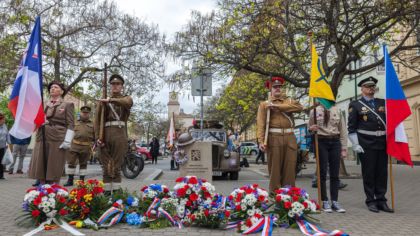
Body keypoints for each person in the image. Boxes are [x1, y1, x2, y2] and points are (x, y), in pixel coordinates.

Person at [348, 76, 393, 213]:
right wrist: (355, 144)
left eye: (372, 86)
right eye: (368, 87)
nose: (371, 89)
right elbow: (352, 127)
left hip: (382, 142)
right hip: (366, 143)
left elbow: (390, 120)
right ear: (362, 89)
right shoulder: (355, 105)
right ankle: (370, 200)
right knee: (369, 173)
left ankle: (381, 200)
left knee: (381, 173)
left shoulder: (382, 102)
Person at [257, 77, 303, 192]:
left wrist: (279, 107)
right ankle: (275, 196)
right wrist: (261, 141)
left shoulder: (290, 101)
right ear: (270, 89)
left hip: (290, 138)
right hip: (274, 138)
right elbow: (261, 124)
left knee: (290, 170)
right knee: (275, 170)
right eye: (275, 87)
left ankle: (289, 196)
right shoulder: (264, 104)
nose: (278, 89)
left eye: (279, 87)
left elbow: (300, 107)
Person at [28, 81, 75, 185]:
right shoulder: (43, 104)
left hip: (57, 137)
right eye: (51, 87)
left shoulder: (67, 105)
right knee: (40, 166)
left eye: (55, 87)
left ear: (62, 91)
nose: (52, 89)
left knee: (54, 166)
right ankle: (41, 191)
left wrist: (67, 140)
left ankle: (53, 190)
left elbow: (71, 124)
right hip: (42, 136)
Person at [95, 74, 133, 194]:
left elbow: (127, 103)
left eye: (118, 84)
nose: (115, 86)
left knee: (117, 164)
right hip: (105, 133)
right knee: (106, 165)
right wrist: (97, 138)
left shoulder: (126, 98)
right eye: (113, 84)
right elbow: (97, 121)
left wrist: (110, 100)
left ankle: (116, 193)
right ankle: (106, 193)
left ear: (122, 86)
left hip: (119, 133)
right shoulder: (103, 101)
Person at [308, 103, 347, 213]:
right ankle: (324, 200)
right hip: (321, 142)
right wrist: (311, 128)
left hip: (335, 141)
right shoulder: (314, 111)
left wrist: (344, 148)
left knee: (335, 173)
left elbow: (343, 130)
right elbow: (309, 127)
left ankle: (335, 201)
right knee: (322, 172)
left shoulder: (337, 110)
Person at [64, 106, 95, 186]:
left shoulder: (93, 124)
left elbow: (95, 137)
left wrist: (94, 146)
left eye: (86, 113)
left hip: (86, 147)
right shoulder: (74, 122)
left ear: (89, 114)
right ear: (80, 113)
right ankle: (70, 180)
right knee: (71, 163)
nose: (85, 114)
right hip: (74, 145)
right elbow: (69, 133)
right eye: (83, 113)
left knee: (83, 164)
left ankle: (81, 181)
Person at [0, 113, 10, 180]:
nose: (4, 120)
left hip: (2, 146)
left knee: (1, 161)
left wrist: (8, 143)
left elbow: (7, 135)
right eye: (3, 119)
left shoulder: (4, 126)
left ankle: (1, 175)